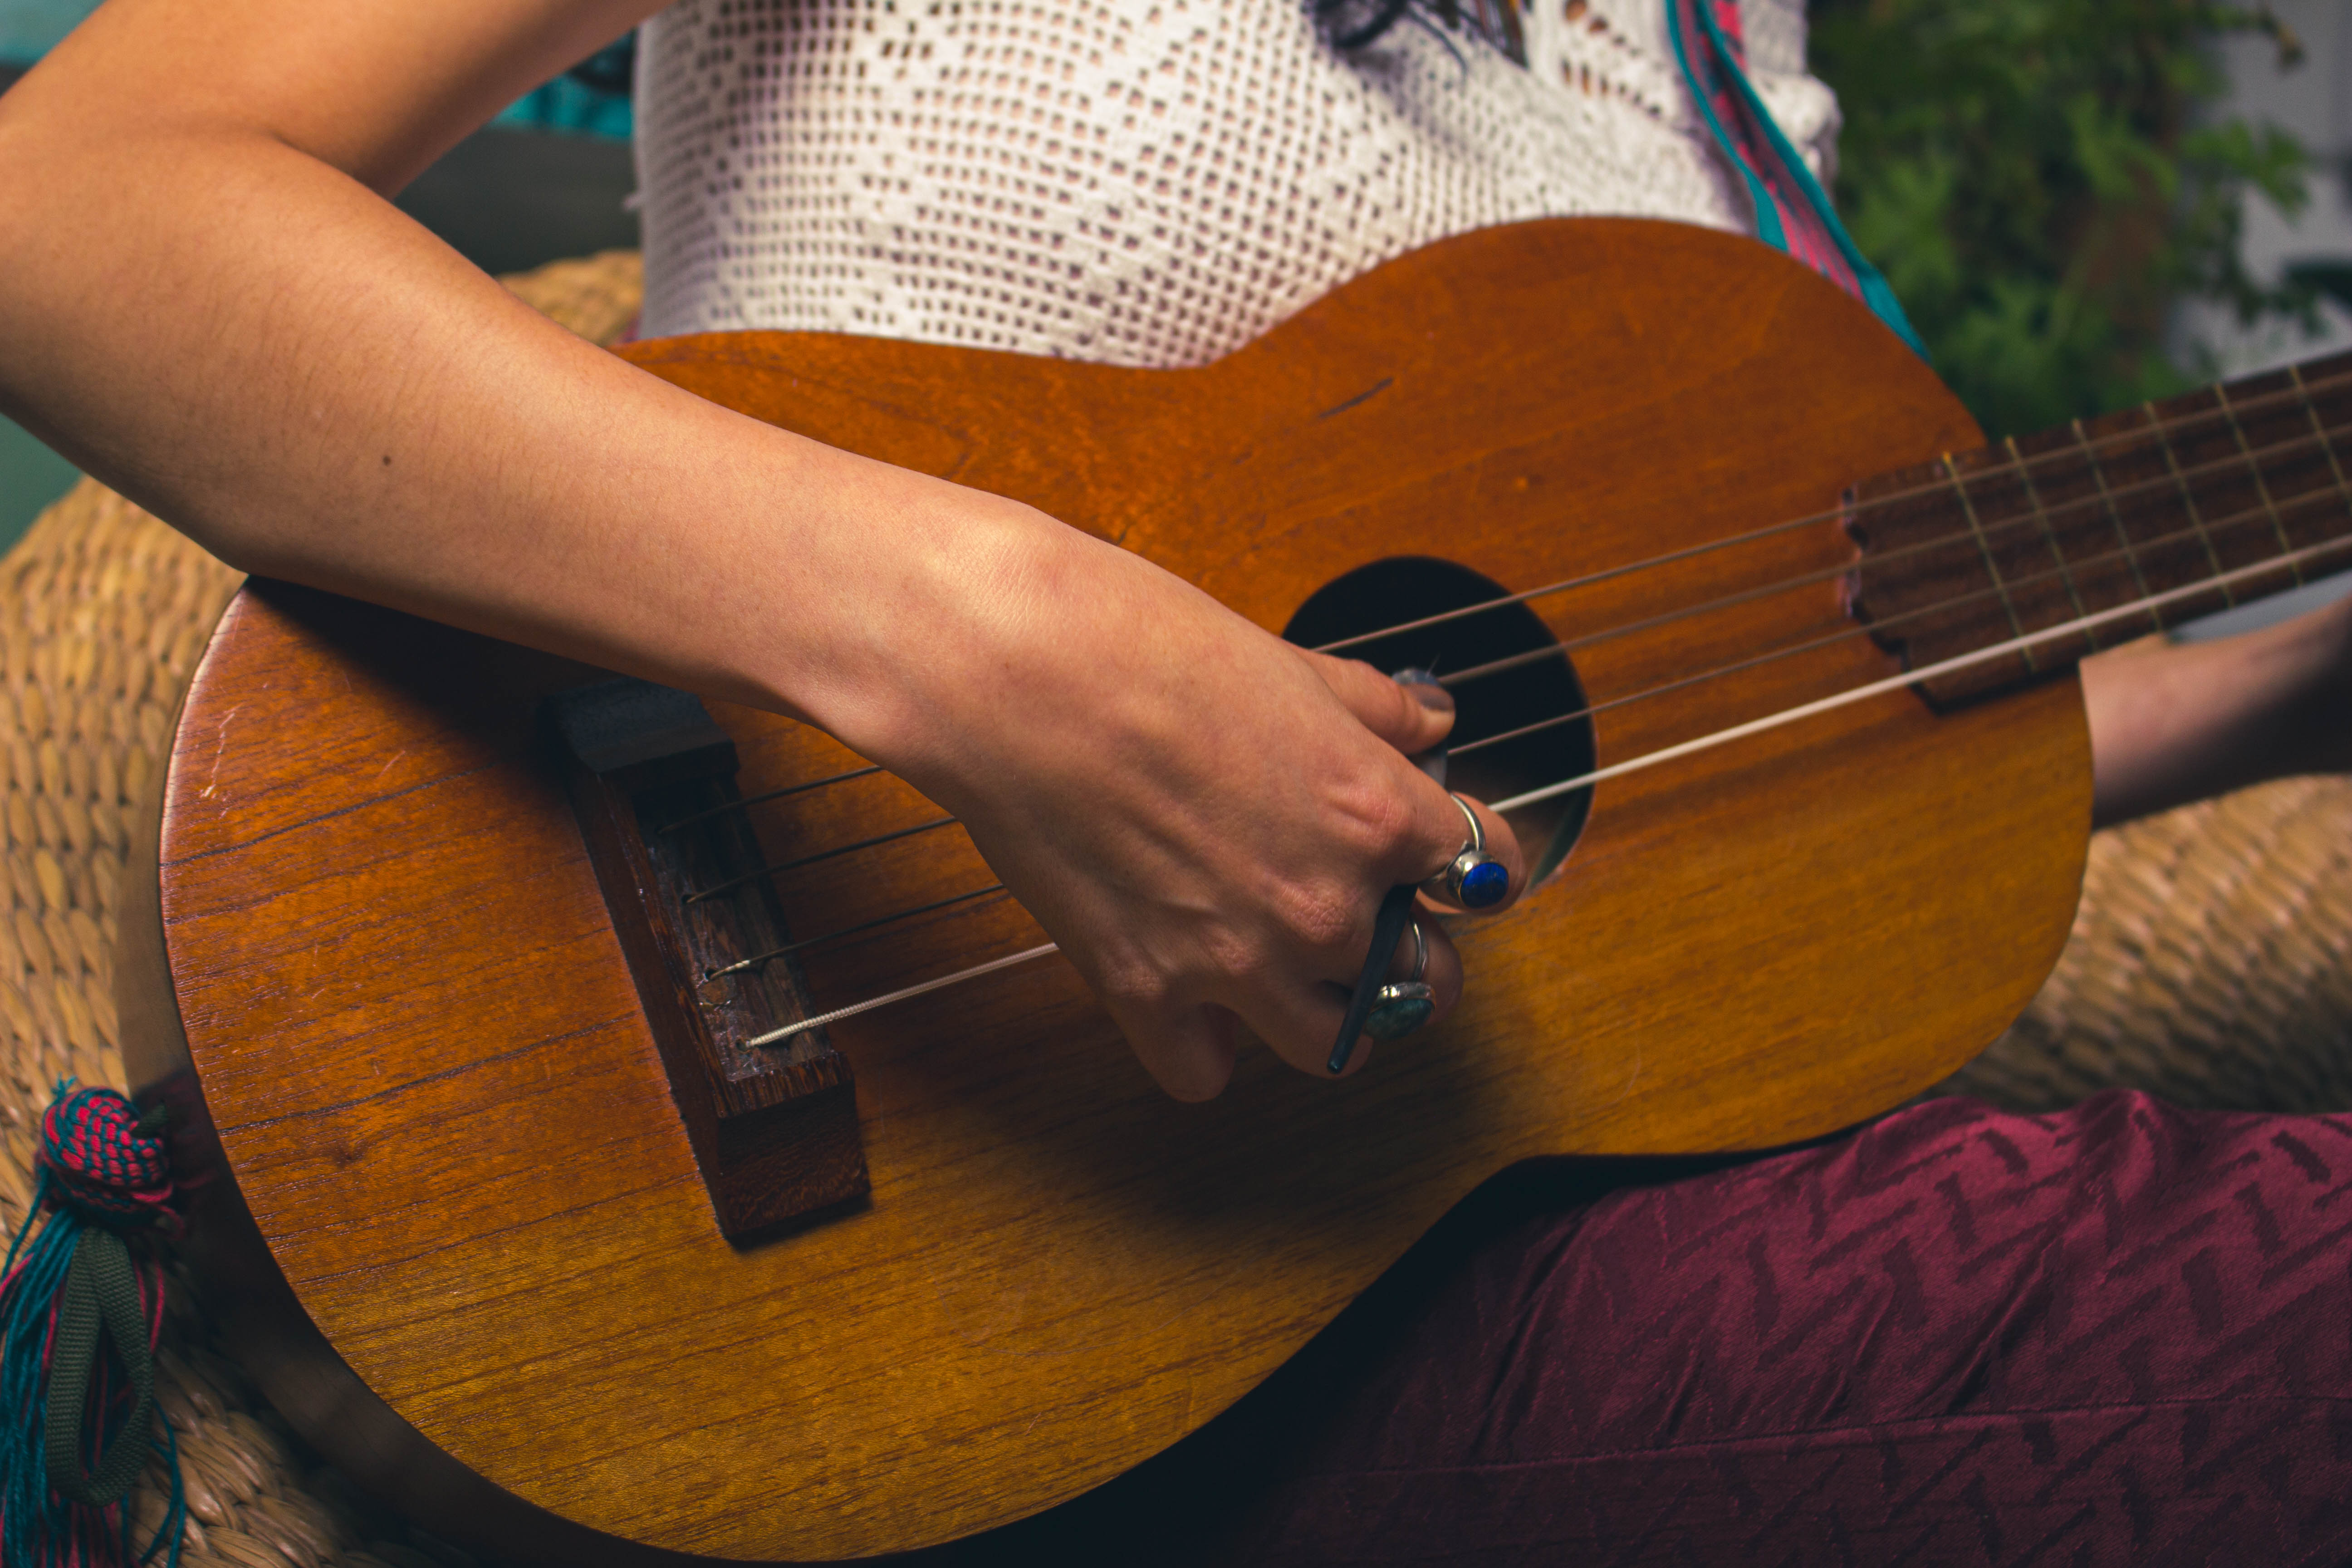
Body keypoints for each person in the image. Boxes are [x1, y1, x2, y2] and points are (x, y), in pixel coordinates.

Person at [2, 0, 2351, 1559]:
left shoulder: (1718, 39)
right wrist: (993, 657)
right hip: (965, 1278)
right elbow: (69, 206)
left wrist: (2281, 686)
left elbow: (1715, 740)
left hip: (1471, 1236)